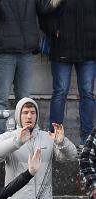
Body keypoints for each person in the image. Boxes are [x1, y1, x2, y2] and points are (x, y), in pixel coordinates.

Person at [0, 98, 78, 199]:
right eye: (25, 112)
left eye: (33, 112)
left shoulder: (47, 137)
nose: (29, 116)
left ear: (37, 116)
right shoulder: (9, 136)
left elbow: (71, 155)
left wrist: (62, 142)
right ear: (18, 115)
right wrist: (17, 141)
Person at [0, 0, 44, 136]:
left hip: (26, 51)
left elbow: (44, 8)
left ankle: (24, 135)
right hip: (4, 52)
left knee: (24, 99)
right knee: (1, 98)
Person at [40, 0, 96, 144]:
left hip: (89, 50)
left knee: (87, 94)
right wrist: (55, 31)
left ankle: (87, 142)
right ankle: (54, 139)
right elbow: (43, 12)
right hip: (62, 49)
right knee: (60, 92)